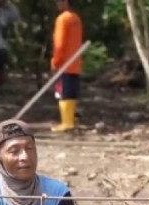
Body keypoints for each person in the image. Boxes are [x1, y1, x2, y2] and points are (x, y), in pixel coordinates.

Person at [50, 0, 83, 132]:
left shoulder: (62, 19)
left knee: (63, 92)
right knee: (71, 92)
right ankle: (70, 120)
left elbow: (60, 43)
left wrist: (55, 62)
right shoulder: (76, 19)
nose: (57, 3)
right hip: (75, 63)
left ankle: (66, 122)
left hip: (64, 64)